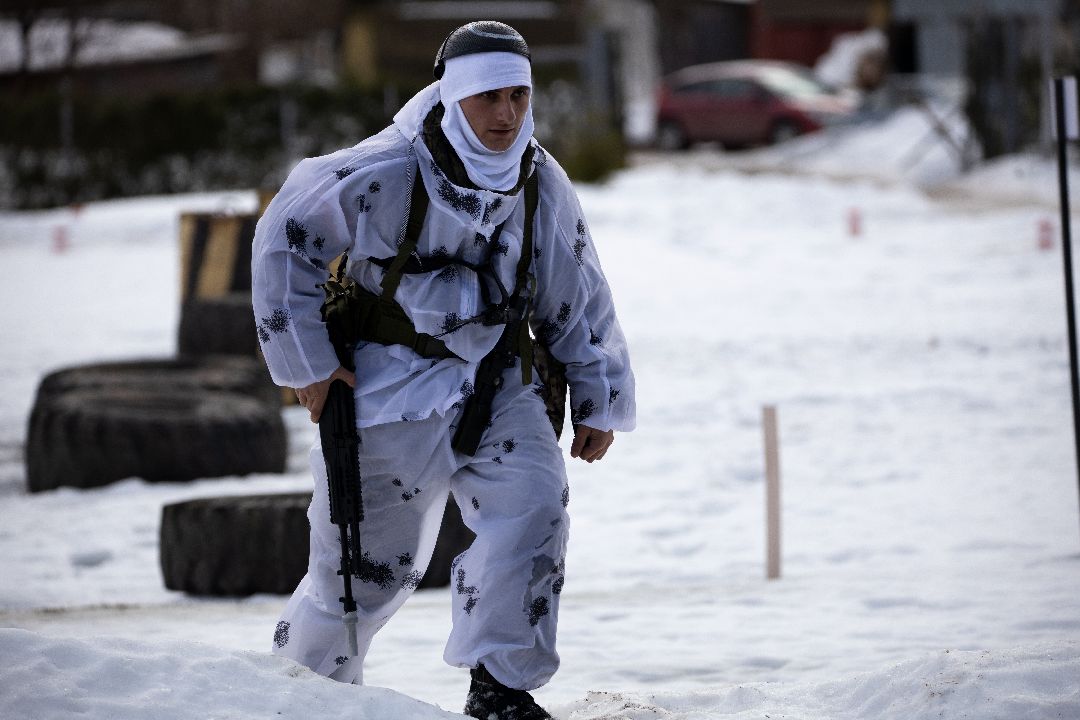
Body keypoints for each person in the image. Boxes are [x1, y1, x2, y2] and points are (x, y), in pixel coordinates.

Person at [251, 20, 635, 720]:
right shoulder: (385, 169)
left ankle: (500, 689)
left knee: (534, 512)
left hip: (498, 378)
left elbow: (576, 287)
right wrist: (307, 365)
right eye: (488, 98)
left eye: (519, 97)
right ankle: (303, 698)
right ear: (452, 95)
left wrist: (599, 394)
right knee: (364, 574)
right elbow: (284, 240)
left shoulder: (540, 181)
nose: (506, 115)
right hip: (388, 384)